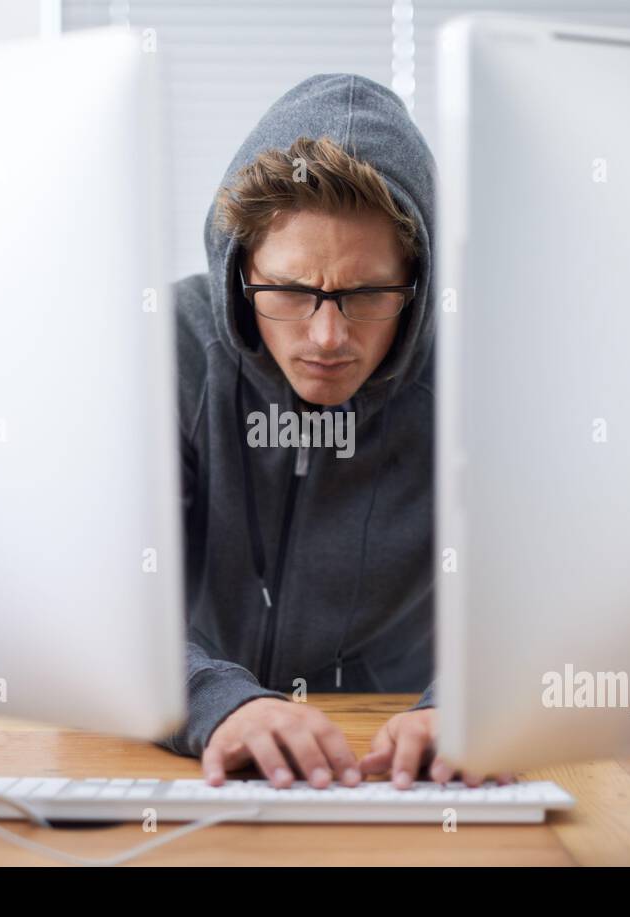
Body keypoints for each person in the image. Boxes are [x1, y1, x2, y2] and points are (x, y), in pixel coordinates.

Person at [160, 74, 511, 791]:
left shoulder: (484, 374)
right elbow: (105, 607)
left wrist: (471, 706)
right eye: (289, 291)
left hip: (400, 760)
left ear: (416, 282)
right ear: (240, 271)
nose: (327, 336)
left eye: (366, 294)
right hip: (202, 750)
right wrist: (213, 698)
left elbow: (543, 594)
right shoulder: (170, 347)